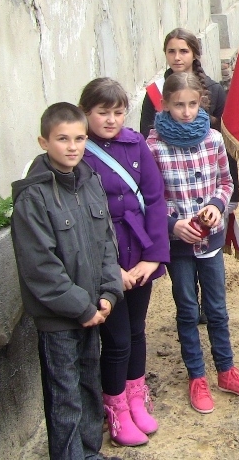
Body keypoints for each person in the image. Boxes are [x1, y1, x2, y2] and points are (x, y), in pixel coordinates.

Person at [11, 103, 124, 460]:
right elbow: (40, 266)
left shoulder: (89, 182)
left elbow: (106, 243)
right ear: (44, 142)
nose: (72, 147)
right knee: (65, 398)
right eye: (62, 139)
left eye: (79, 138)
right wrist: (80, 307)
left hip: (93, 309)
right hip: (60, 317)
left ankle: (90, 452)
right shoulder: (34, 196)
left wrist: (108, 293)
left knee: (90, 385)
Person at [146, 72, 239, 414]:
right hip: (178, 243)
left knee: (217, 308)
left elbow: (226, 182)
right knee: (186, 308)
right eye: (178, 105)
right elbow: (148, 200)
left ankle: (226, 370)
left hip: (210, 240)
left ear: (201, 103)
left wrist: (215, 206)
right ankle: (197, 376)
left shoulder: (213, 139)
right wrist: (173, 225)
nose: (186, 112)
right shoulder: (153, 147)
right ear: (165, 104)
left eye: (192, 104)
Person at [78, 78, 170, 446]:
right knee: (115, 340)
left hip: (139, 252)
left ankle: (135, 397)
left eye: (118, 112)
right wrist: (109, 271)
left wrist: (152, 258)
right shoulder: (79, 153)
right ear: (86, 112)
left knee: (136, 330)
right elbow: (81, 221)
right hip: (106, 261)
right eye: (103, 113)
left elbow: (156, 199)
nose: (111, 120)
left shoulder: (136, 145)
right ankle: (115, 406)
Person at [140, 28, 239, 325]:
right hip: (174, 194)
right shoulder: (155, 93)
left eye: (183, 51)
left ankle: (210, 309)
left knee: (210, 267)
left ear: (194, 53)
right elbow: (146, 141)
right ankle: (191, 310)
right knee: (184, 279)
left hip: (207, 190)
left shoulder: (214, 90)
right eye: (171, 51)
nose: (177, 57)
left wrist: (228, 196)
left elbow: (224, 146)